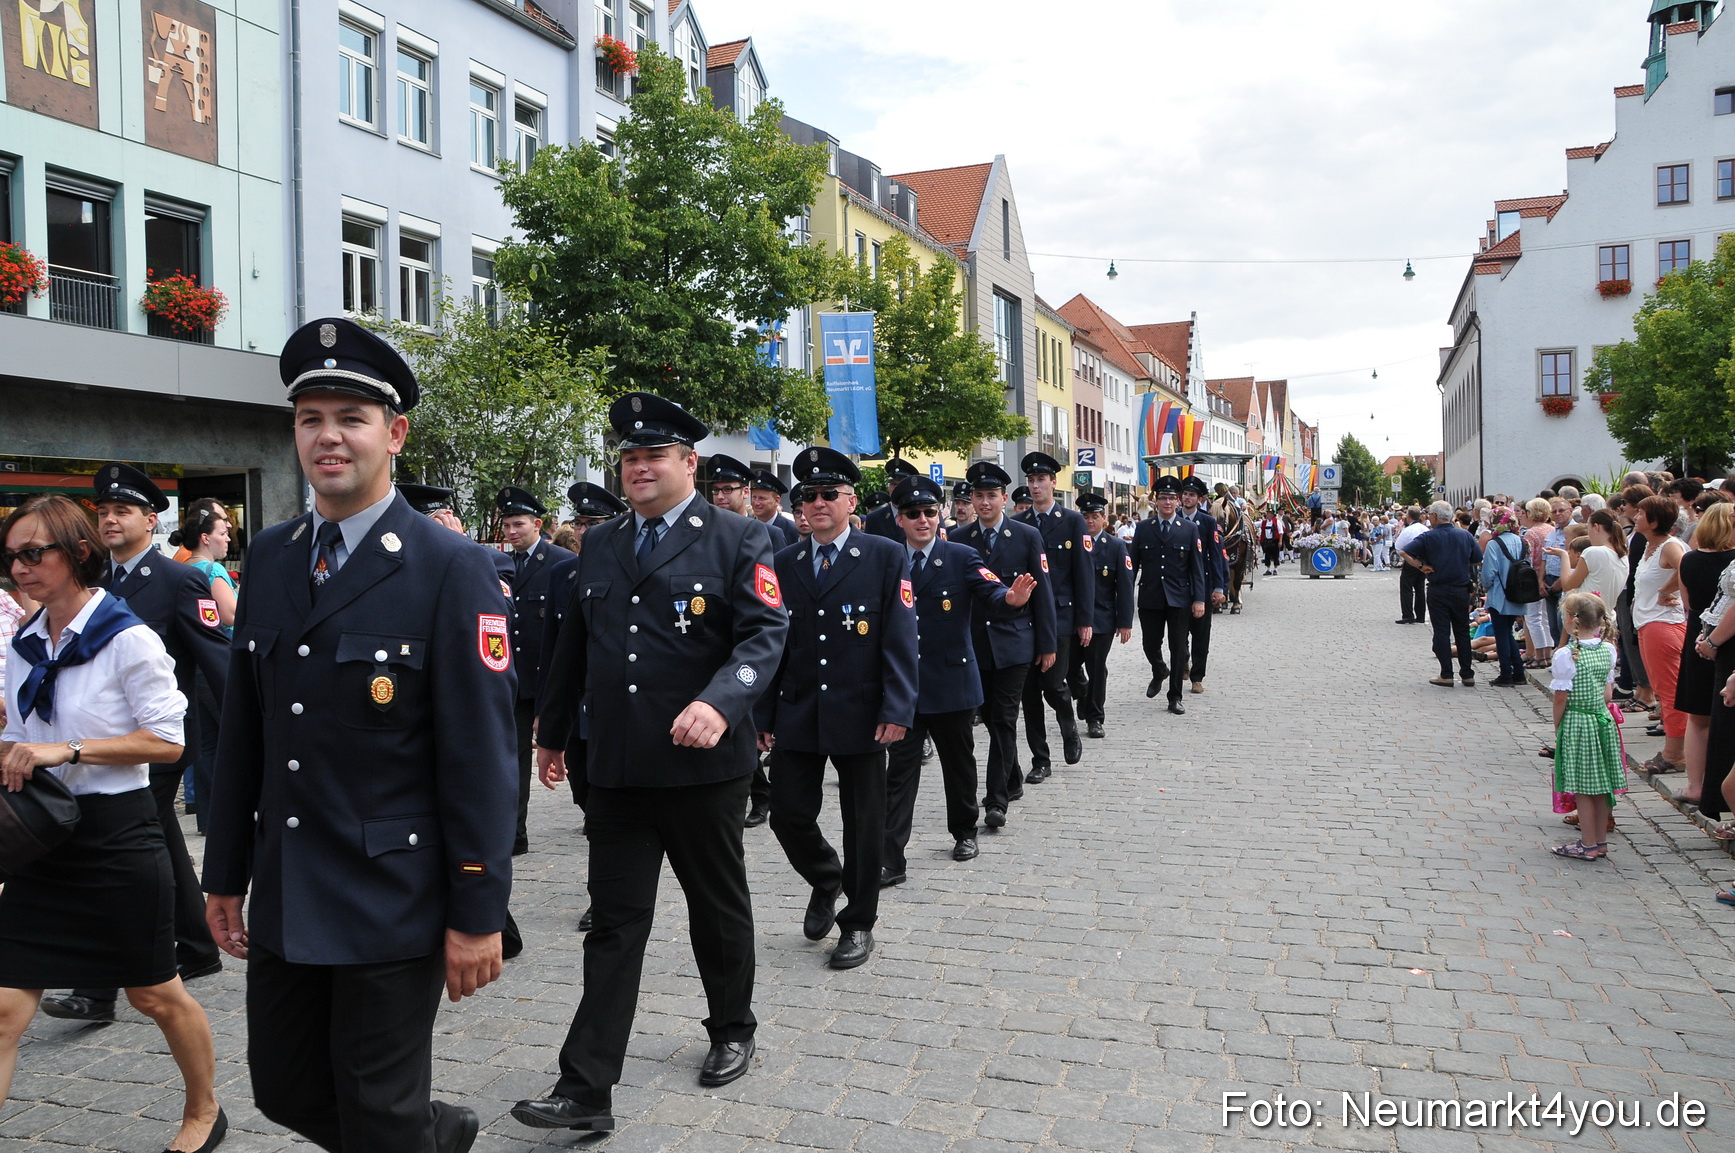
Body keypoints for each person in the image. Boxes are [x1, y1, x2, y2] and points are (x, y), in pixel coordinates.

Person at [202, 317, 517, 1153]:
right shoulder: (272, 557)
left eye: (351, 417)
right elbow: (245, 732)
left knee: (376, 1109)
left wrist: (477, 909)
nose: (328, 436)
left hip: (391, 892)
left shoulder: (449, 566)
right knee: (285, 1086)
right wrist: (224, 871)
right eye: (310, 418)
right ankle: (432, 1133)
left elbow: (481, 755)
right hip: (289, 883)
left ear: (394, 433)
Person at [518, 393, 786, 1133]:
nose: (639, 468)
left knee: (716, 907)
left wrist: (721, 702)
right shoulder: (601, 542)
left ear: (688, 462)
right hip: (617, 765)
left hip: (702, 766)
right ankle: (585, 1089)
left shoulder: (737, 537)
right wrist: (552, 731)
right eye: (630, 457)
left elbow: (765, 634)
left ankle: (731, 1026)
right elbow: (575, 642)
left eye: (654, 456)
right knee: (613, 923)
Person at [0, 495, 225, 1153]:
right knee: (6, 1008)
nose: (19, 567)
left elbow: (168, 742)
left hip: (116, 837)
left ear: (77, 553)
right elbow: (18, 735)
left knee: (155, 995)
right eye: (10, 556)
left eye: (32, 553)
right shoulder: (23, 642)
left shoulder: (127, 638)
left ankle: (205, 1110)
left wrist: (67, 750)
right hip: (41, 839)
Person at [39, 465, 228, 1027]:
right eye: (102, 512)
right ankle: (197, 946)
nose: (110, 520)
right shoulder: (92, 583)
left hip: (157, 744)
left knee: (112, 847)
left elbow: (217, 661)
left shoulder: (179, 581)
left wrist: (245, 732)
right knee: (161, 839)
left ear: (151, 520)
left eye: (122, 511)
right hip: (107, 742)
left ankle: (96, 987)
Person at [756, 447, 916, 969]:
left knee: (863, 824)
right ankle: (827, 878)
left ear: (851, 501)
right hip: (799, 709)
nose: (817, 502)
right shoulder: (784, 562)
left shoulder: (884, 555)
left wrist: (897, 707)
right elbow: (772, 643)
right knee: (787, 815)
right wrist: (762, 716)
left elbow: (900, 638)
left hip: (863, 711)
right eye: (809, 495)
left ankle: (859, 922)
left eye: (829, 494)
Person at [881, 475, 1031, 885]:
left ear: (940, 514)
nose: (923, 520)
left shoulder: (961, 556)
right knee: (900, 772)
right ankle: (891, 856)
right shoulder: (887, 559)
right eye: (913, 513)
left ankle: (964, 831)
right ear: (900, 519)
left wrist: (1011, 599)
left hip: (951, 681)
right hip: (904, 685)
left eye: (929, 512)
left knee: (958, 764)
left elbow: (991, 591)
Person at [949, 461, 1056, 830]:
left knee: (1004, 719)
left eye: (991, 495)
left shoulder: (1026, 536)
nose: (984, 502)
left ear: (1004, 498)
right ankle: (1011, 777)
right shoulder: (959, 539)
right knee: (991, 718)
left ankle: (996, 801)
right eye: (978, 495)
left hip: (1015, 643)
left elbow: (1043, 592)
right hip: (975, 645)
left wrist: (1047, 643)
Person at [498, 485, 575, 856]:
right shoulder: (502, 564)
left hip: (547, 675)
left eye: (519, 524)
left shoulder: (559, 562)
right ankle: (515, 834)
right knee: (514, 758)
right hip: (514, 677)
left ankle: (593, 809)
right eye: (507, 526)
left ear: (537, 525)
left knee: (569, 750)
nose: (512, 532)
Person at [1012, 452, 1089, 782]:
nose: (1035, 486)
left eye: (1041, 479)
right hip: (1025, 617)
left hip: (1060, 616)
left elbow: (1083, 573)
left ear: (1053, 483)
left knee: (1053, 684)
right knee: (1029, 692)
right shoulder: (1019, 523)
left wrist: (1085, 620)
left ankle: (1068, 726)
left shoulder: (1072, 521)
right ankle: (1040, 759)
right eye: (1031, 480)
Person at [172, 498, 237, 834]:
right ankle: (232, 811)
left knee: (207, 744)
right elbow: (230, 615)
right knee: (231, 737)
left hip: (193, 667)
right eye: (223, 533)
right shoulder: (212, 571)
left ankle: (209, 817)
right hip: (217, 664)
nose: (228, 538)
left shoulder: (182, 569)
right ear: (205, 538)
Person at [1549, 592, 1623, 861]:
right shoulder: (1608, 649)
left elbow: (1561, 697)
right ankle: (1600, 841)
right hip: (1602, 720)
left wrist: (1558, 726)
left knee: (1583, 786)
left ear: (1570, 619)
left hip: (1578, 721)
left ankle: (1588, 843)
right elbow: (1607, 695)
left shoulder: (1567, 654)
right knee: (1601, 786)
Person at [1672, 504, 1735, 805]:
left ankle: (1696, 785)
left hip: (1700, 630)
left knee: (1698, 718)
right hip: (1724, 637)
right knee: (1723, 713)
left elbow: (1688, 603)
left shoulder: (1689, 559)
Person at [1130, 475, 1208, 715]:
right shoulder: (1144, 528)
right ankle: (1159, 669)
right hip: (1150, 596)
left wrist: (1199, 599)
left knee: (1179, 648)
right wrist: (1123, 598)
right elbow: (1132, 565)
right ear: (1155, 501)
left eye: (1171, 498)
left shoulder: (1189, 529)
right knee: (1150, 644)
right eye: (1163, 498)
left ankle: (1175, 696)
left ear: (1178, 501)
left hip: (1179, 598)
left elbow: (1196, 568)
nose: (1167, 502)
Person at [1068, 492, 1134, 738]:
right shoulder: (1071, 544)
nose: (1089, 521)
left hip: (1102, 618)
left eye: (1094, 517)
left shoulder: (1115, 546)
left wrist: (1125, 622)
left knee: (1096, 668)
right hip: (1073, 617)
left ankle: (1095, 718)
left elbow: (1124, 586)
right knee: (1068, 666)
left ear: (1104, 519)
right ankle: (1082, 693)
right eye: (1085, 517)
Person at [1632, 495, 1688, 774]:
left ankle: (1675, 754)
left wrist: (1667, 590)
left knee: (1669, 691)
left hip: (1662, 624)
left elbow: (1687, 567)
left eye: (1640, 513)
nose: (1635, 516)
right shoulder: (1651, 545)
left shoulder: (1670, 546)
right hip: (1649, 623)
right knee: (1663, 689)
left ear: (1654, 521)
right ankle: (1674, 749)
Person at [1407, 500, 1482, 688]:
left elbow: (1405, 551)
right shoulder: (1465, 535)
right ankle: (1467, 674)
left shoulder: (1428, 536)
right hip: (1461, 588)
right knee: (1462, 631)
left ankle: (1446, 673)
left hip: (1438, 587)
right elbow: (1477, 559)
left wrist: (1421, 566)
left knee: (1441, 631)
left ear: (1434, 516)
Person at [1178, 476, 1229, 692]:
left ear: (1200, 499)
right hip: (1178, 586)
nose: (1187, 498)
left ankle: (1197, 677)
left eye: (1192, 495)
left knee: (1201, 635)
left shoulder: (1207, 522)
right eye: (1185, 494)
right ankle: (1183, 662)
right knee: (1178, 634)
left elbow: (1216, 556)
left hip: (1202, 585)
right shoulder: (1173, 518)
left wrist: (1219, 587)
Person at [1478, 507, 1530, 687]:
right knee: (1507, 633)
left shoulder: (1494, 544)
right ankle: (1519, 673)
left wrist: (1486, 587)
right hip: (1518, 593)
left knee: (1501, 635)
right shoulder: (1522, 541)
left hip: (1500, 595)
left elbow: (1488, 574)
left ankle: (1506, 673)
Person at [861, 458, 918, 542]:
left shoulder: (924, 515)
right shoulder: (874, 518)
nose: (896, 489)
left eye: (900, 485)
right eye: (892, 484)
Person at [750, 468, 801, 550]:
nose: (756, 503)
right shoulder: (747, 526)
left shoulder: (792, 530)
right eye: (754, 497)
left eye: (762, 498)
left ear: (776, 501)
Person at [1394, 507, 1428, 624]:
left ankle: (1408, 615)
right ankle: (1420, 616)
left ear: (1409, 517)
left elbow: (1398, 546)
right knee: (1420, 588)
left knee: (1406, 587)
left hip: (1411, 559)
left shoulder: (1408, 530)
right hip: (1423, 560)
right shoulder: (1425, 529)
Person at [1257, 506, 1284, 576]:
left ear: (1272, 514)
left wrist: (1280, 541)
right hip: (1267, 541)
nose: (1268, 515)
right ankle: (1268, 569)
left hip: (1275, 540)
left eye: (1269, 513)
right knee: (1267, 555)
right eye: (1268, 513)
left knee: (1275, 555)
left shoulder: (1277, 521)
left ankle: (1275, 569)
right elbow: (1255, 524)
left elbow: (1281, 532)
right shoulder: (1264, 522)